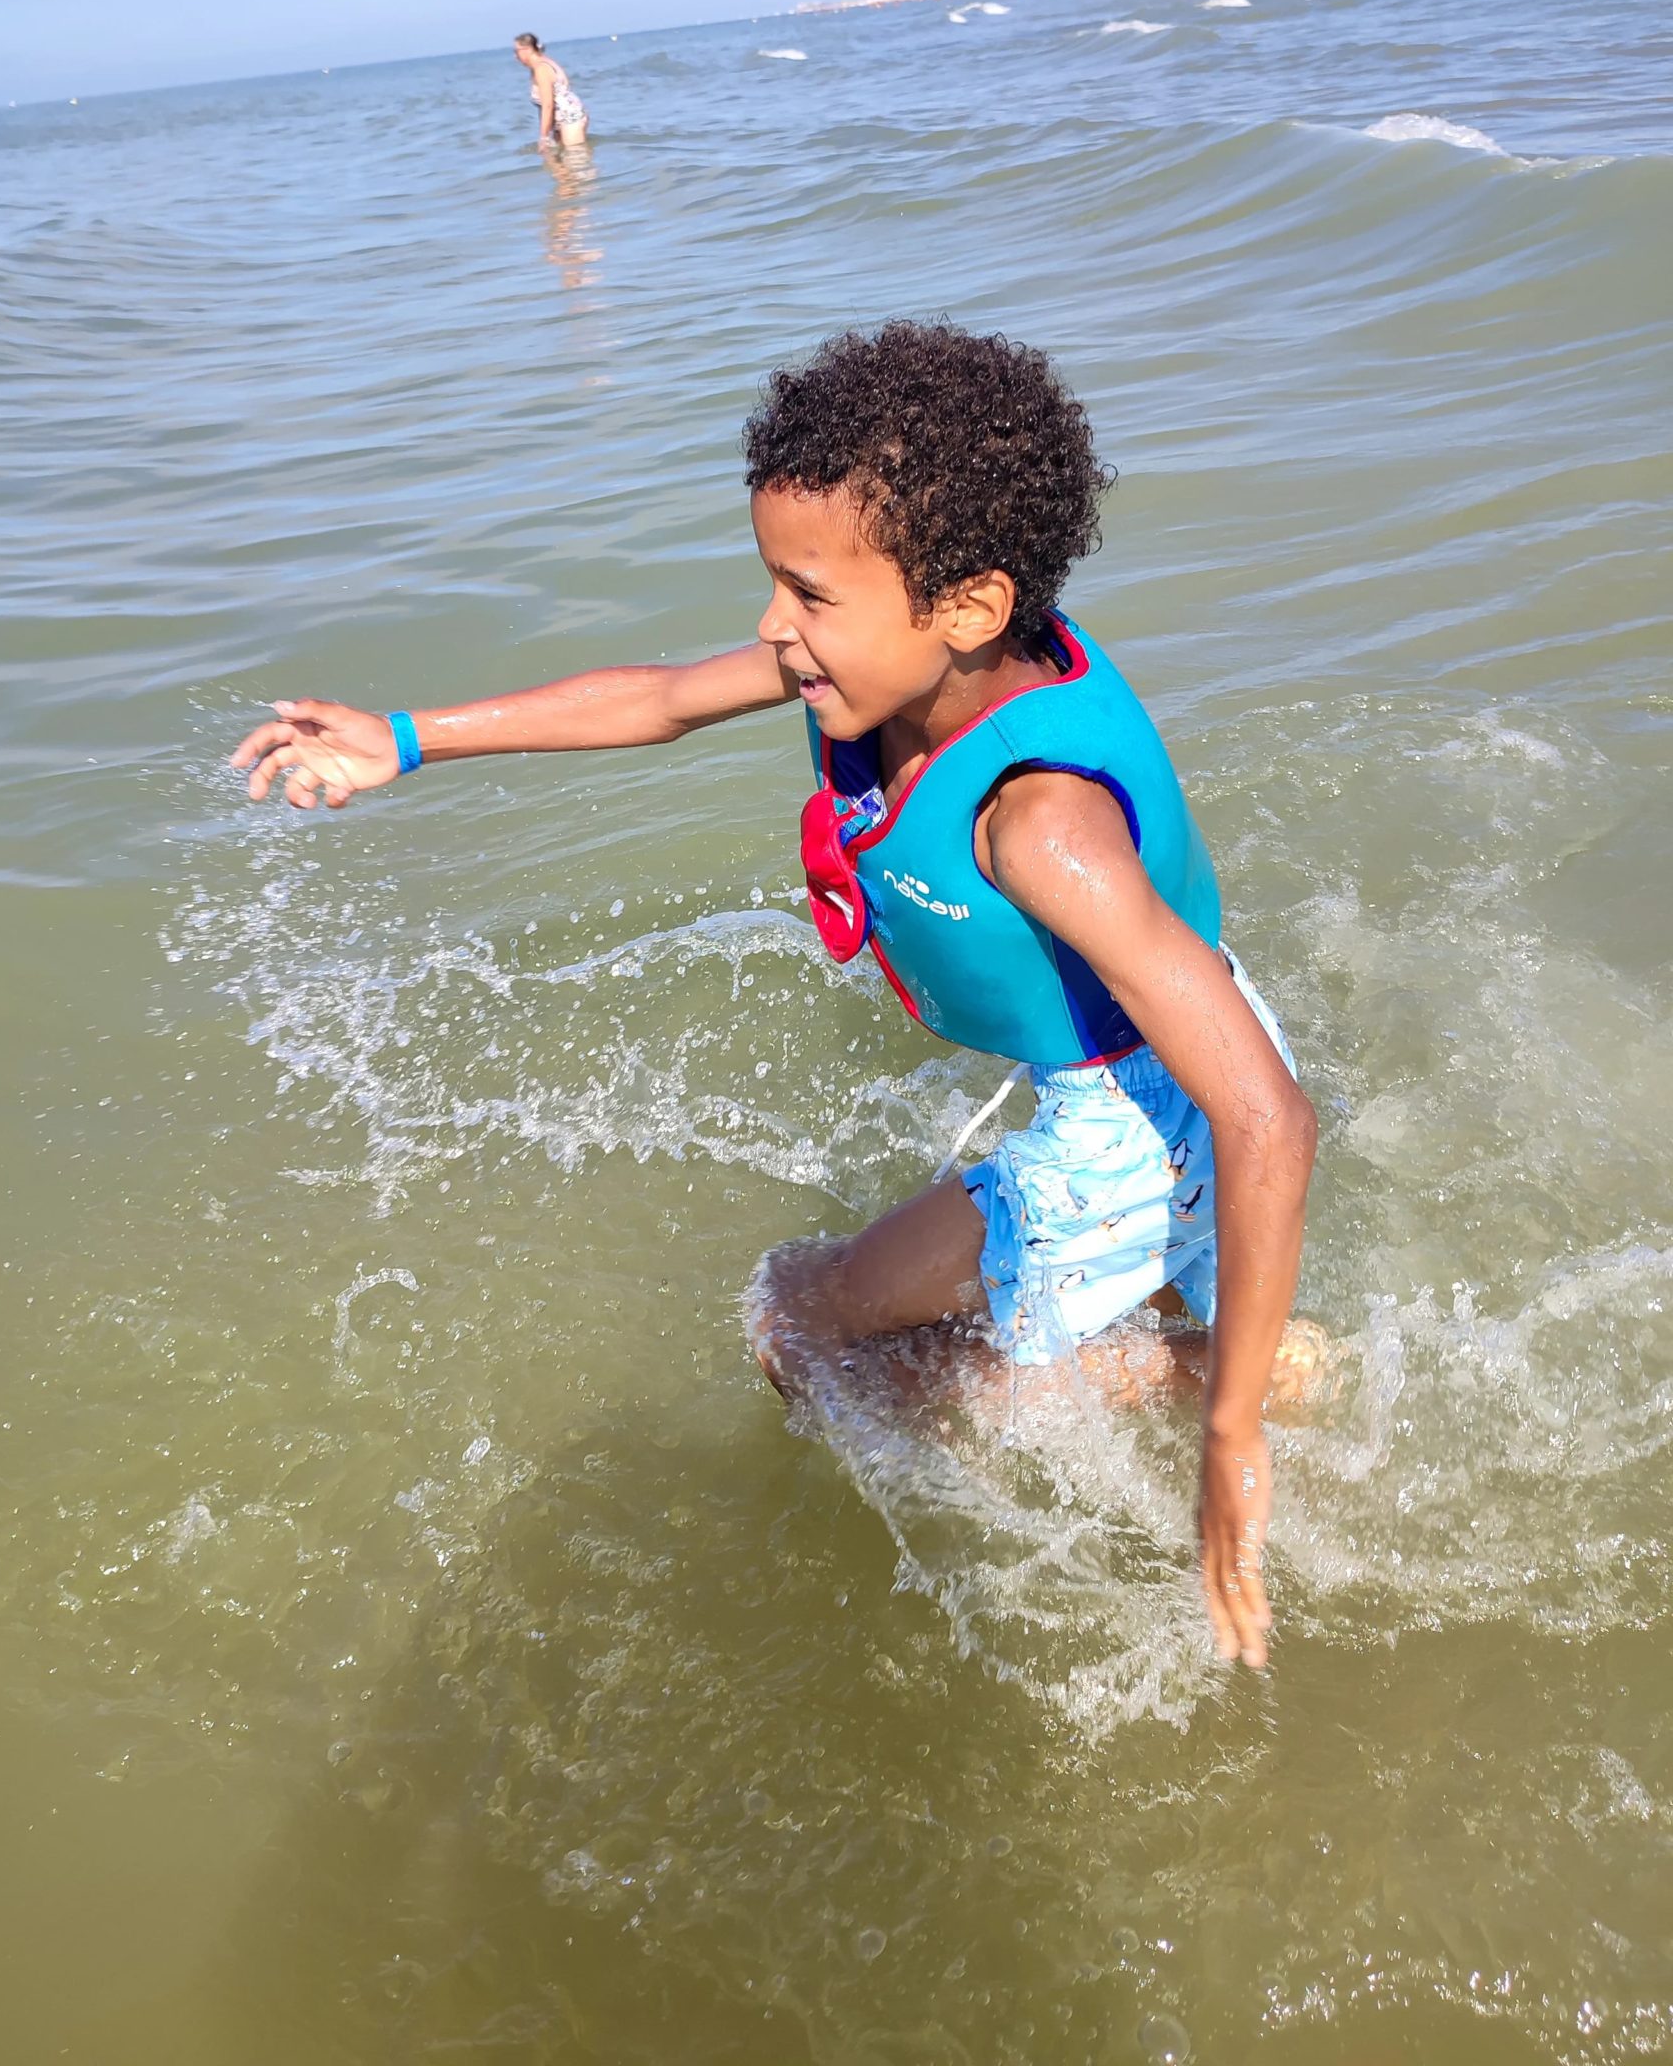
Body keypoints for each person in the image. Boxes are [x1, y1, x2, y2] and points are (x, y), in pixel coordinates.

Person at [231, 323, 1318, 1671]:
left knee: (796, 1314)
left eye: (806, 595)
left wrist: (1230, 1441)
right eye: (772, 585)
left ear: (968, 605)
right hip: (1156, 1050)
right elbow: (662, 699)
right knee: (861, 1311)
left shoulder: (1042, 829)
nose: (771, 629)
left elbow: (1264, 1111)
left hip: (1144, 1114)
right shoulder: (909, 656)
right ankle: (1190, 1331)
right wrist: (407, 739)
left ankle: (1205, 1378)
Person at [513, 31, 588, 148]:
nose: (515, 57)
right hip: (564, 118)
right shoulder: (546, 62)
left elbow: (548, 104)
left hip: (569, 118)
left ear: (527, 49)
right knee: (556, 162)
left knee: (575, 159)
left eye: (516, 51)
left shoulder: (541, 69)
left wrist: (543, 137)